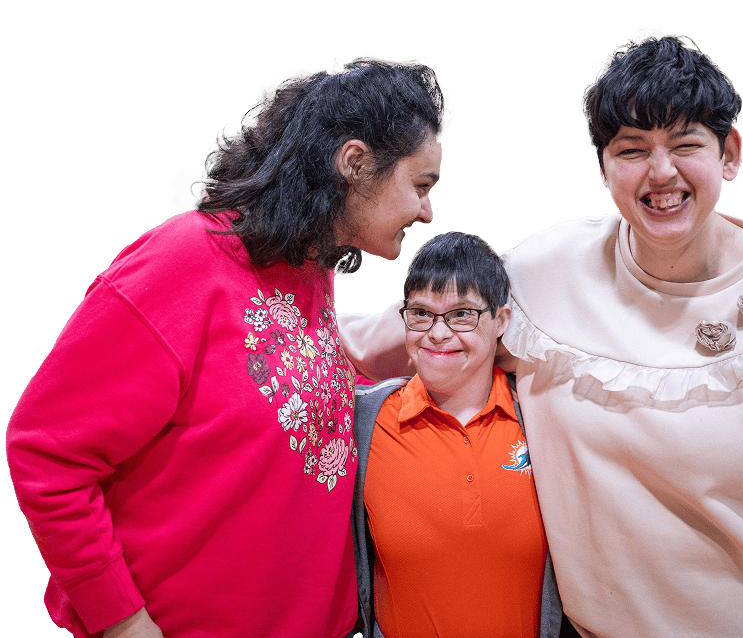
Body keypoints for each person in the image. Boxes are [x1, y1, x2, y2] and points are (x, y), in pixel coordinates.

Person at [338, 26, 743, 638]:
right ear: (603, 168)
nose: (661, 172)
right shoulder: (547, 273)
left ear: (729, 152)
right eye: (631, 149)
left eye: (685, 144)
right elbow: (411, 329)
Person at [6, 53, 454, 638]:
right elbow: (46, 451)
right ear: (354, 163)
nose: (427, 210)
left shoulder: (306, 266)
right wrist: (121, 622)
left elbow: (269, 398)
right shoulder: (183, 262)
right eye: (420, 186)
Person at [352, 231, 562, 638]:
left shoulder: (543, 419)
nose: (438, 333)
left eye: (462, 314)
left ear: (501, 321)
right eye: (421, 313)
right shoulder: (365, 420)